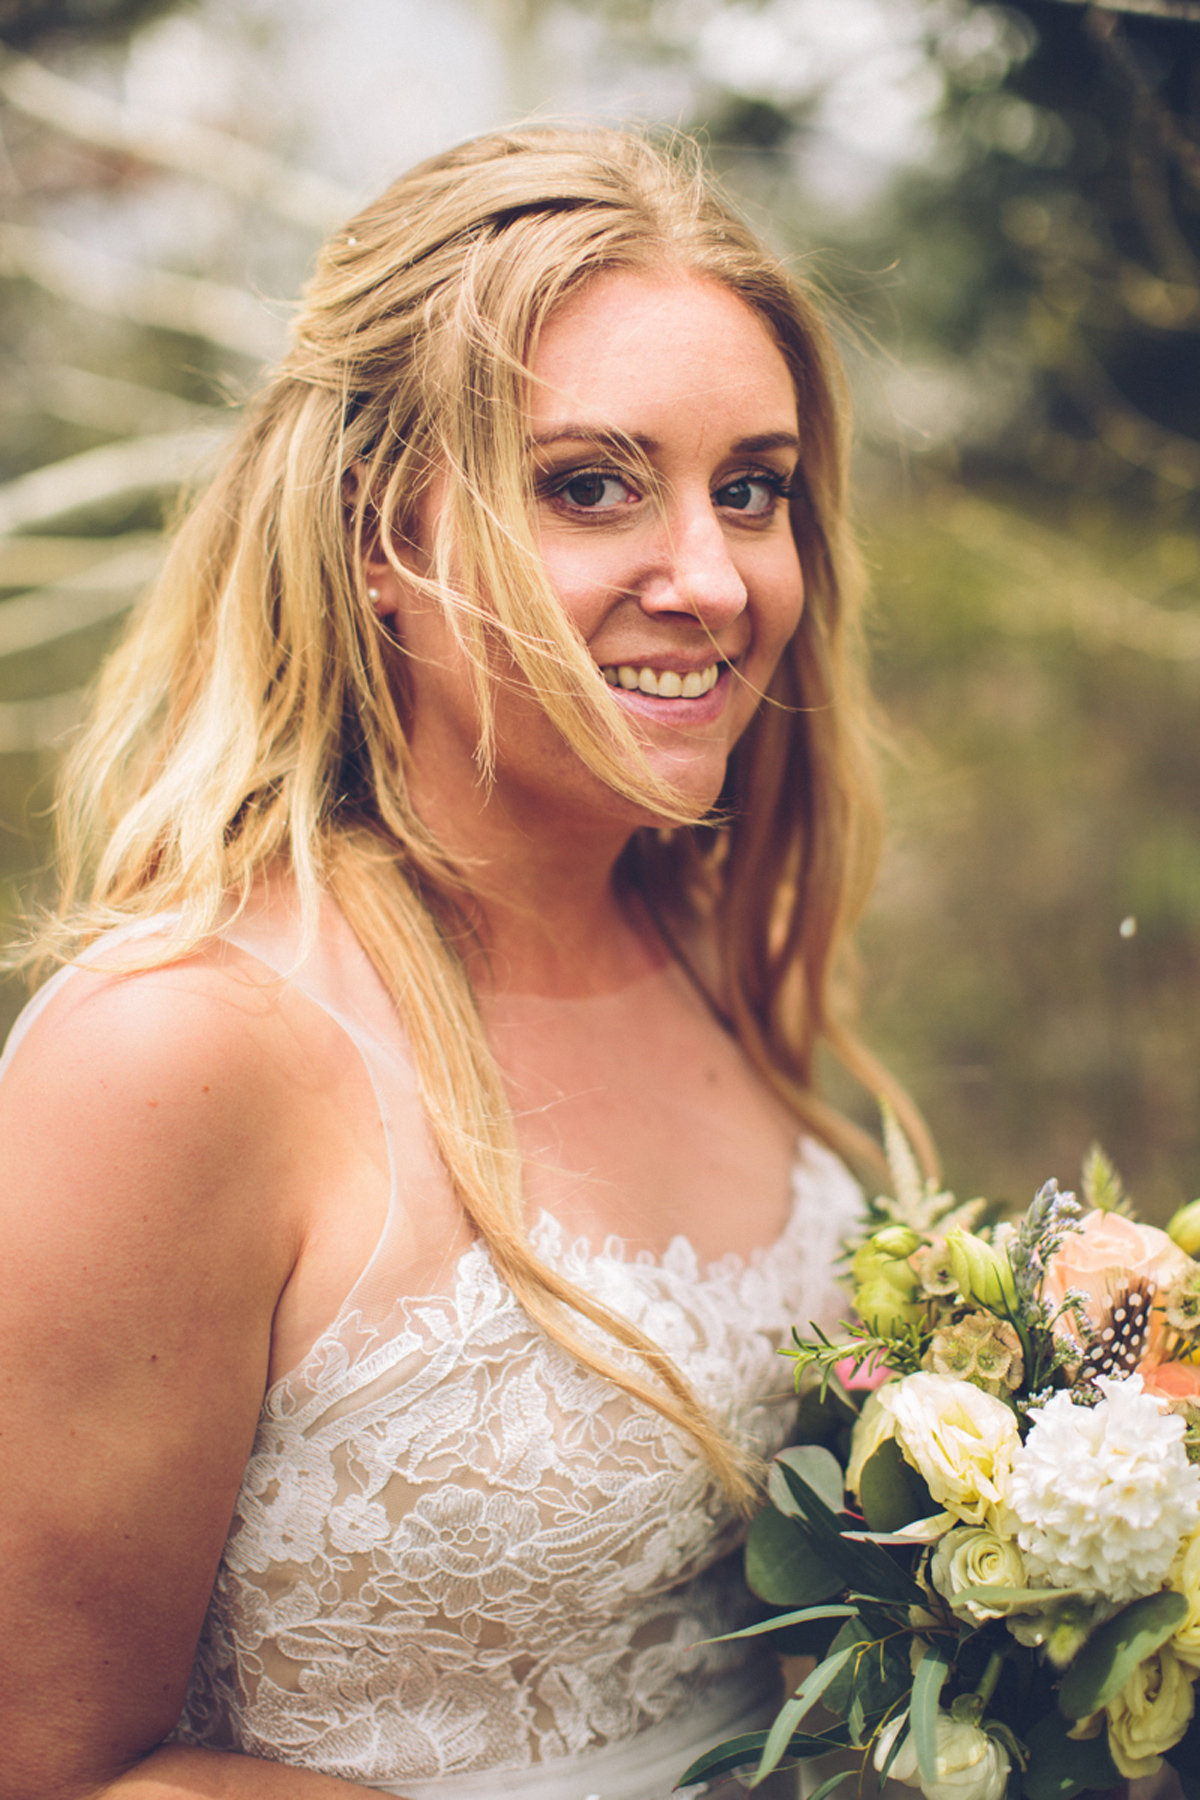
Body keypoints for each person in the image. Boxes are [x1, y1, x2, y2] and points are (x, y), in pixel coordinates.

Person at [0, 127, 932, 1800]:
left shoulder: (720, 952)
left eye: (754, 489)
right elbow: (45, 1769)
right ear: (379, 530)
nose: (712, 581)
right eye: (591, 485)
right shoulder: (178, 1055)